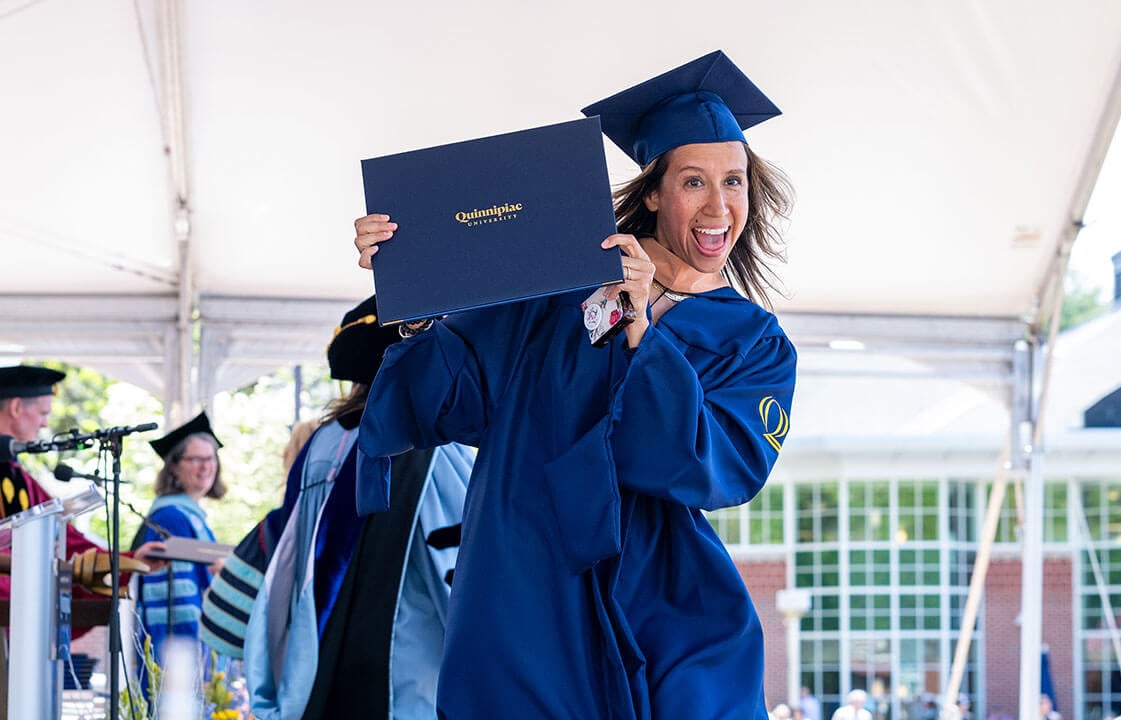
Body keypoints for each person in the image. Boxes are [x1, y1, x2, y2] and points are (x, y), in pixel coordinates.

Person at [352, 49, 796, 718]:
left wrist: (644, 326)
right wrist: (413, 287)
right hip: (528, 580)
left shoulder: (755, 343)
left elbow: (714, 467)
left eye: (734, 182)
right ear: (652, 191)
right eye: (695, 182)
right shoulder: (556, 295)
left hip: (660, 597)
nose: (719, 206)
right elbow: (454, 393)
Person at [245, 295, 472, 720]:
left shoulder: (322, 443)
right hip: (409, 659)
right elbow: (461, 556)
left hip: (319, 649)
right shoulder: (434, 443)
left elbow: (291, 554)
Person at [0, 364, 165, 713]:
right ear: (16, 408)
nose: (45, 424)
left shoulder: (16, 476)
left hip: (19, 625)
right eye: (42, 413)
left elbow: (67, 539)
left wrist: (127, 559)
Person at [132, 411, 227, 673]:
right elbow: (175, 604)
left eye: (210, 458)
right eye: (196, 459)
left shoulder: (191, 517)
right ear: (174, 466)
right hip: (179, 653)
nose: (206, 467)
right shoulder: (171, 518)